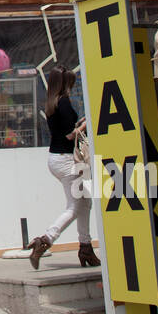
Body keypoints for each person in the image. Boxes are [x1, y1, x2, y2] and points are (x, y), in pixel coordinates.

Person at [28, 66, 99, 270]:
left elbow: (64, 130)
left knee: (85, 203)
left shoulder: (52, 103)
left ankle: (86, 248)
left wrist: (80, 123)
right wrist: (87, 124)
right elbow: (70, 134)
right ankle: (46, 239)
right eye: (70, 83)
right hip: (71, 160)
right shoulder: (65, 102)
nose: (72, 87)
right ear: (65, 84)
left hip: (58, 158)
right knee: (76, 206)